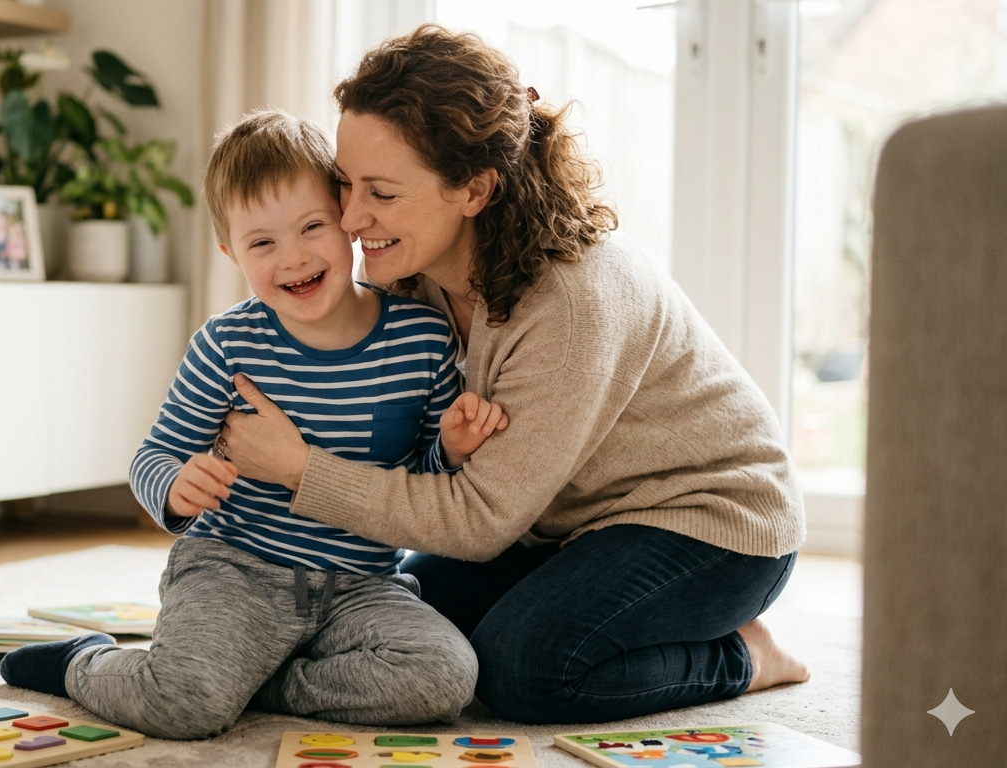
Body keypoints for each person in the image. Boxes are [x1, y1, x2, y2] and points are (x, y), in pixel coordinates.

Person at [214, 25, 811, 726]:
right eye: (344, 184)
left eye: (380, 192)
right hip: (560, 521)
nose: (349, 218)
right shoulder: (413, 273)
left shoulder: (572, 300)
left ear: (474, 190)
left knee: (526, 668)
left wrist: (300, 470)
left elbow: (477, 522)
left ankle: (743, 656)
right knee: (395, 611)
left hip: (711, 524)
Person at [0, 110, 511, 739]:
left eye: (311, 228)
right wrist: (176, 484)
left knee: (445, 676)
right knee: (183, 705)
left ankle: (261, 683)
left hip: (360, 585)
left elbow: (418, 482)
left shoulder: (421, 339)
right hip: (234, 568)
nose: (292, 257)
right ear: (230, 251)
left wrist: (453, 451)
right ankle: (83, 662)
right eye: (262, 243)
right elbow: (154, 454)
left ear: (348, 223)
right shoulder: (226, 345)